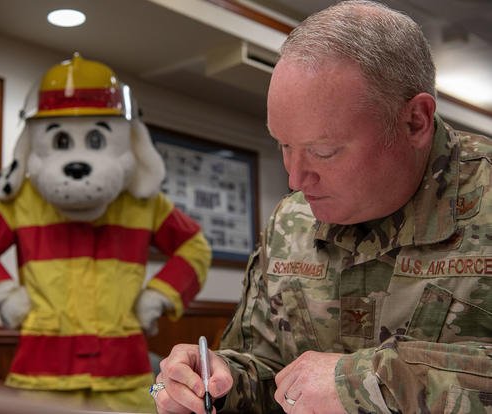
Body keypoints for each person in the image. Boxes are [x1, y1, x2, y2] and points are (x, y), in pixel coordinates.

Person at [150, 1, 492, 413]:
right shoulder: (290, 221)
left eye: (324, 151)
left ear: (415, 122)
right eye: (284, 145)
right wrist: (215, 382)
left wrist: (371, 383)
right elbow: (266, 368)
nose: (295, 180)